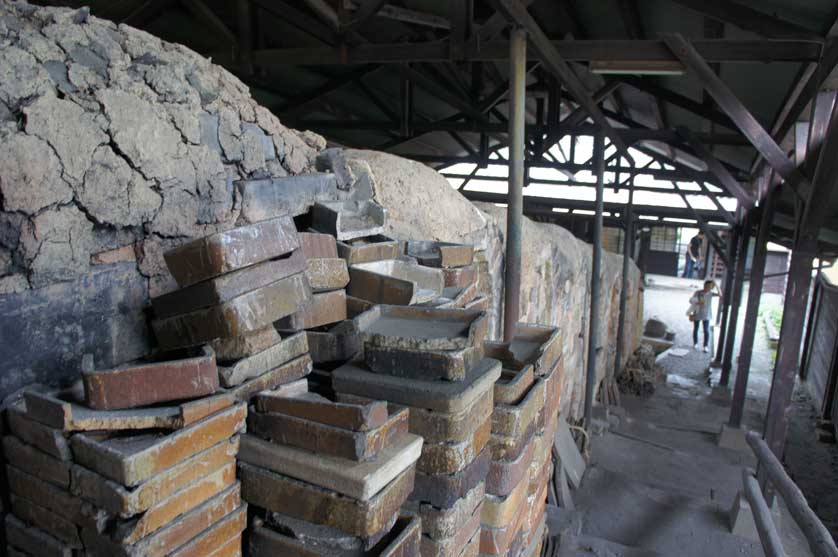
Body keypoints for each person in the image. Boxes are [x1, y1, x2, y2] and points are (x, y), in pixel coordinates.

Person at [689, 280, 720, 352]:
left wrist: (716, 284)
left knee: (706, 330)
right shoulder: (698, 292)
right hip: (697, 313)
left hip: (707, 314)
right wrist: (697, 301)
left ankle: (705, 346)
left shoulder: (711, 293)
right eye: (706, 286)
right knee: (696, 328)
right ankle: (695, 343)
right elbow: (691, 300)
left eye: (709, 286)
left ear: (711, 287)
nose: (707, 287)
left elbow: (720, 294)